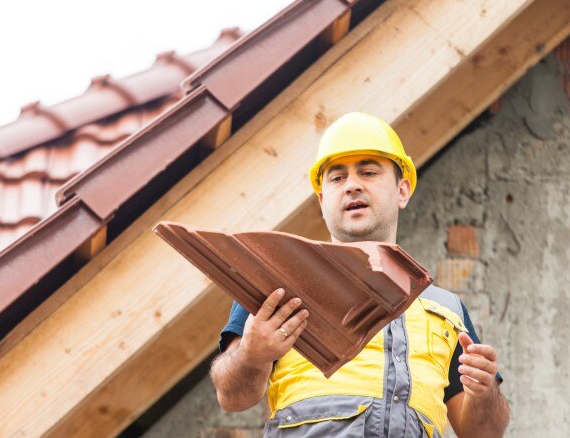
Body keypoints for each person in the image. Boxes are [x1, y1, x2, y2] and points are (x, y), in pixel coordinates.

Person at [210, 112, 509, 437]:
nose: (352, 185)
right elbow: (232, 397)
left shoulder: (447, 308)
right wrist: (252, 356)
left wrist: (485, 392)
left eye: (368, 172)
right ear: (322, 200)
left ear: (402, 190)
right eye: (337, 178)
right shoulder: (275, 280)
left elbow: (483, 433)